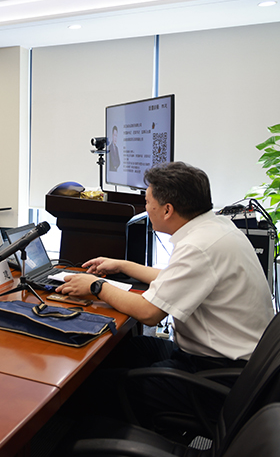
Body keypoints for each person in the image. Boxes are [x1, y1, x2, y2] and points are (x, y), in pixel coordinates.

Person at [56, 161, 273, 426]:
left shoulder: (198, 246)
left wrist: (96, 286)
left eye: (148, 202)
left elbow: (149, 313)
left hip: (214, 377)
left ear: (167, 210)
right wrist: (123, 265)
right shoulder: (216, 228)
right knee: (126, 350)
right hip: (234, 367)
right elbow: (179, 279)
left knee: (87, 388)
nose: (146, 208)